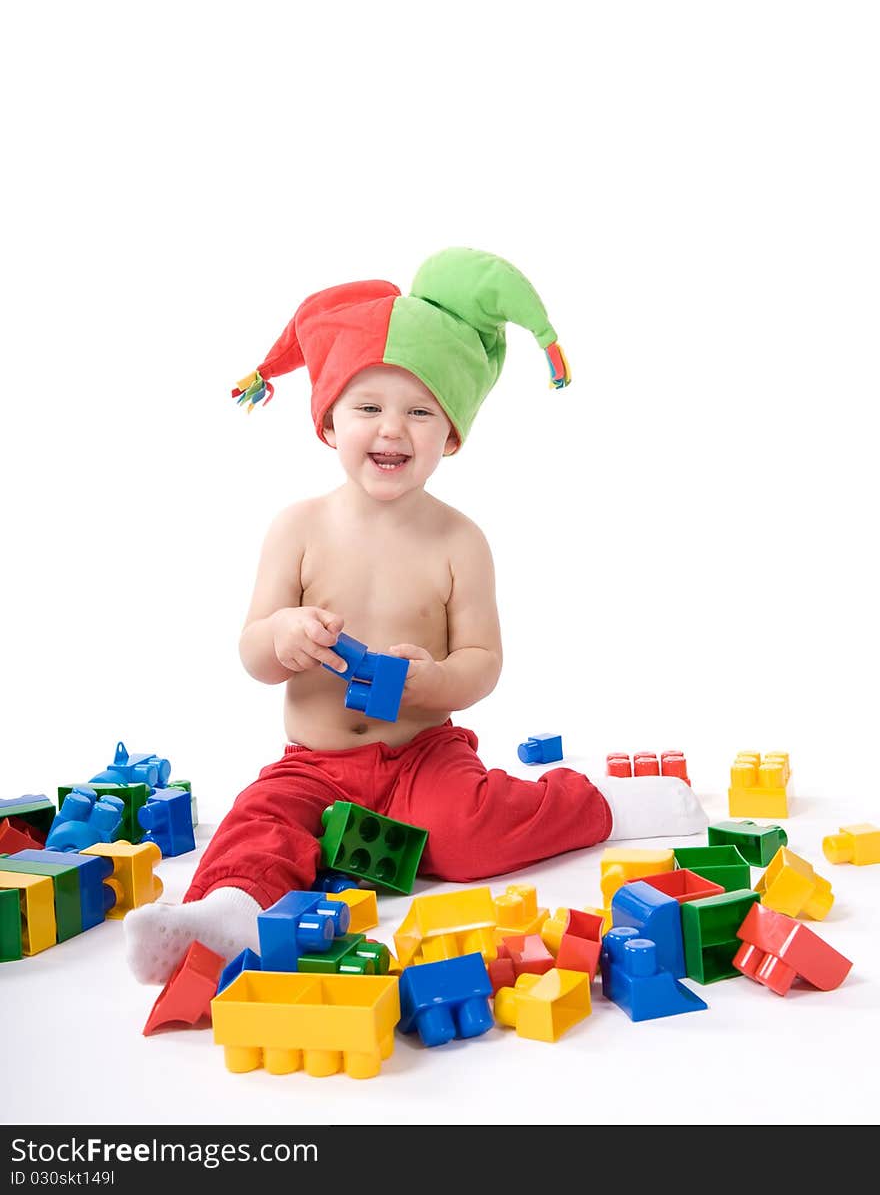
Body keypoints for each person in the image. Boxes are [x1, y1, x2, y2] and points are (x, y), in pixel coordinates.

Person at [124, 246, 707, 984]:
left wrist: (428, 679)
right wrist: (283, 637)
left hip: (424, 757)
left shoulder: (460, 541)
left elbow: (483, 664)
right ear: (329, 424)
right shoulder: (296, 527)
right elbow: (252, 651)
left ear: (451, 434)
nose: (392, 428)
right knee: (261, 819)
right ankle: (228, 913)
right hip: (317, 763)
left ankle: (604, 805)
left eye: (419, 411)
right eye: (367, 407)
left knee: (468, 834)